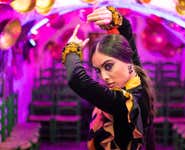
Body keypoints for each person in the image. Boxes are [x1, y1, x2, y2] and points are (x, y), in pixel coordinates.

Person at [62, 6, 155, 150]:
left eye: (108, 66)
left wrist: (72, 50)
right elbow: (127, 32)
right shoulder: (137, 81)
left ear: (128, 62)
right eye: (98, 70)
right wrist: (116, 20)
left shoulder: (124, 101)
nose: (104, 77)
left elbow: (76, 79)